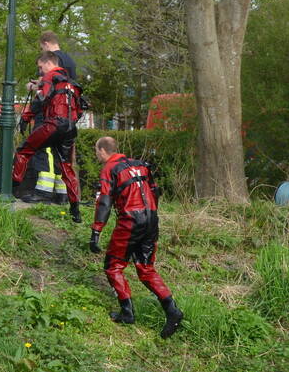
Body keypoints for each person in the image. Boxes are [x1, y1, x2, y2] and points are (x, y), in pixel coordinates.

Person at [90, 136, 183, 338]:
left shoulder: (109, 169)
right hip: (151, 219)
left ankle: (127, 313)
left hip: (130, 221)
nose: (96, 155)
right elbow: (155, 191)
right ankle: (172, 311)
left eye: (97, 152)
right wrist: (151, 213)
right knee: (146, 268)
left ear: (103, 151)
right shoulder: (140, 165)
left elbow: (104, 202)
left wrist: (96, 231)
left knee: (113, 266)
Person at [13, 51, 83, 221]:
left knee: (24, 151)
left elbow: (40, 100)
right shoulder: (71, 83)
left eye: (40, 67)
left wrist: (25, 118)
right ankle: (75, 209)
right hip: (70, 128)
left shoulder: (49, 77)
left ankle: (11, 189)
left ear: (48, 63)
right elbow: (80, 110)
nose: (40, 71)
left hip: (53, 125)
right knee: (66, 168)